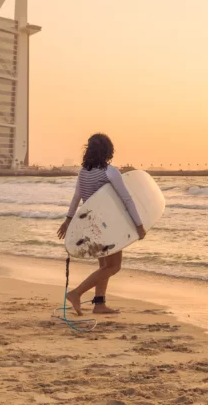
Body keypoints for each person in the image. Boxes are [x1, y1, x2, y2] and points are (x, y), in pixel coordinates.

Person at [56, 133, 145, 316]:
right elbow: (127, 199)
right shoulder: (110, 172)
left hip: (91, 224)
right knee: (114, 266)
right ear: (108, 150)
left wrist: (68, 220)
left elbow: (77, 198)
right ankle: (76, 293)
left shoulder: (83, 172)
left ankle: (99, 304)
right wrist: (138, 225)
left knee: (104, 266)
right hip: (109, 225)